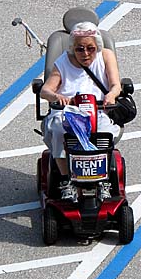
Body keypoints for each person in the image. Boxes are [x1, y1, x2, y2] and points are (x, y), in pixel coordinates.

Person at [39, 21, 122, 202]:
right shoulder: (62, 62)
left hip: (98, 109)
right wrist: (56, 97)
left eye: (90, 48)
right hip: (68, 111)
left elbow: (116, 85)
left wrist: (111, 95)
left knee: (104, 133)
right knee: (60, 130)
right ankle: (66, 180)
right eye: (80, 49)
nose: (85, 53)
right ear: (72, 48)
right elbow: (45, 90)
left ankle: (102, 181)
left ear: (97, 46)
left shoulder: (106, 56)